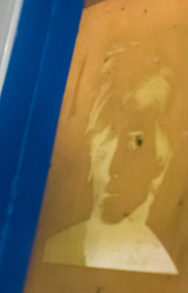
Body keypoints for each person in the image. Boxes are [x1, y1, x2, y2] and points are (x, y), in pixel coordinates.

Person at [43, 46, 178, 274]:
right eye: (103, 150)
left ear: (161, 162)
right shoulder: (57, 249)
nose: (112, 169)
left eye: (134, 145)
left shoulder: (157, 269)